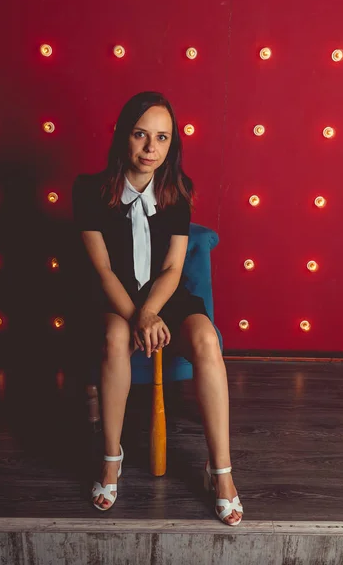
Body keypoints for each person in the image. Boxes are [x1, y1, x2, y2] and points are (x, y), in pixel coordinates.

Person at [72, 91, 243, 526]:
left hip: (165, 296)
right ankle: (112, 458)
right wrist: (136, 316)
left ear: (172, 144)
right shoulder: (88, 190)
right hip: (116, 295)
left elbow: (171, 267)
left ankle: (219, 471)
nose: (151, 149)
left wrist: (152, 312)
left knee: (206, 338)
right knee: (114, 336)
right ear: (123, 138)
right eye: (141, 135)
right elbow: (103, 270)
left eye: (162, 138)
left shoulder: (178, 192)